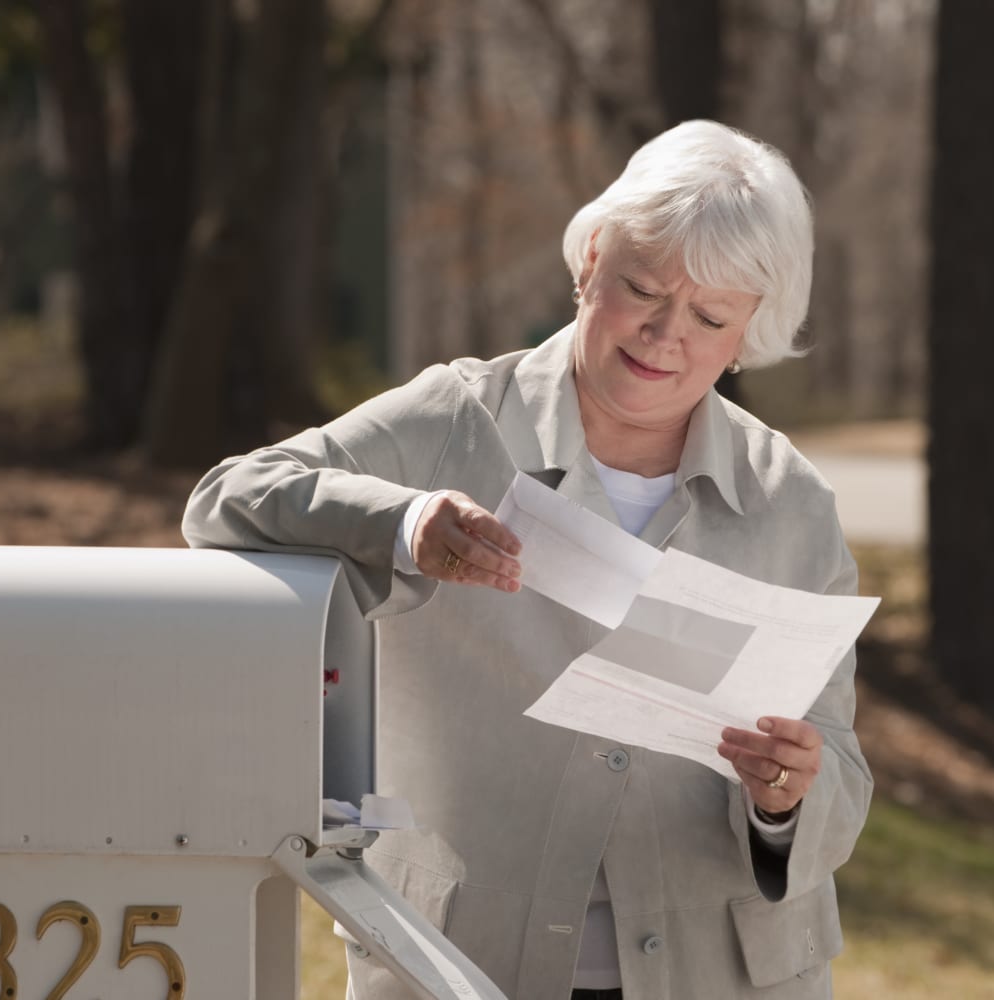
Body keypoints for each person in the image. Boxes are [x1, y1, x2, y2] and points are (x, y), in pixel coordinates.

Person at [183, 120, 869, 999]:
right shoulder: (454, 421)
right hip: (460, 965)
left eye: (709, 316)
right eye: (642, 288)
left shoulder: (792, 502)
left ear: (748, 334)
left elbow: (838, 771)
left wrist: (787, 799)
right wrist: (404, 519)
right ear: (588, 261)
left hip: (725, 973)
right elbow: (226, 497)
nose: (665, 334)